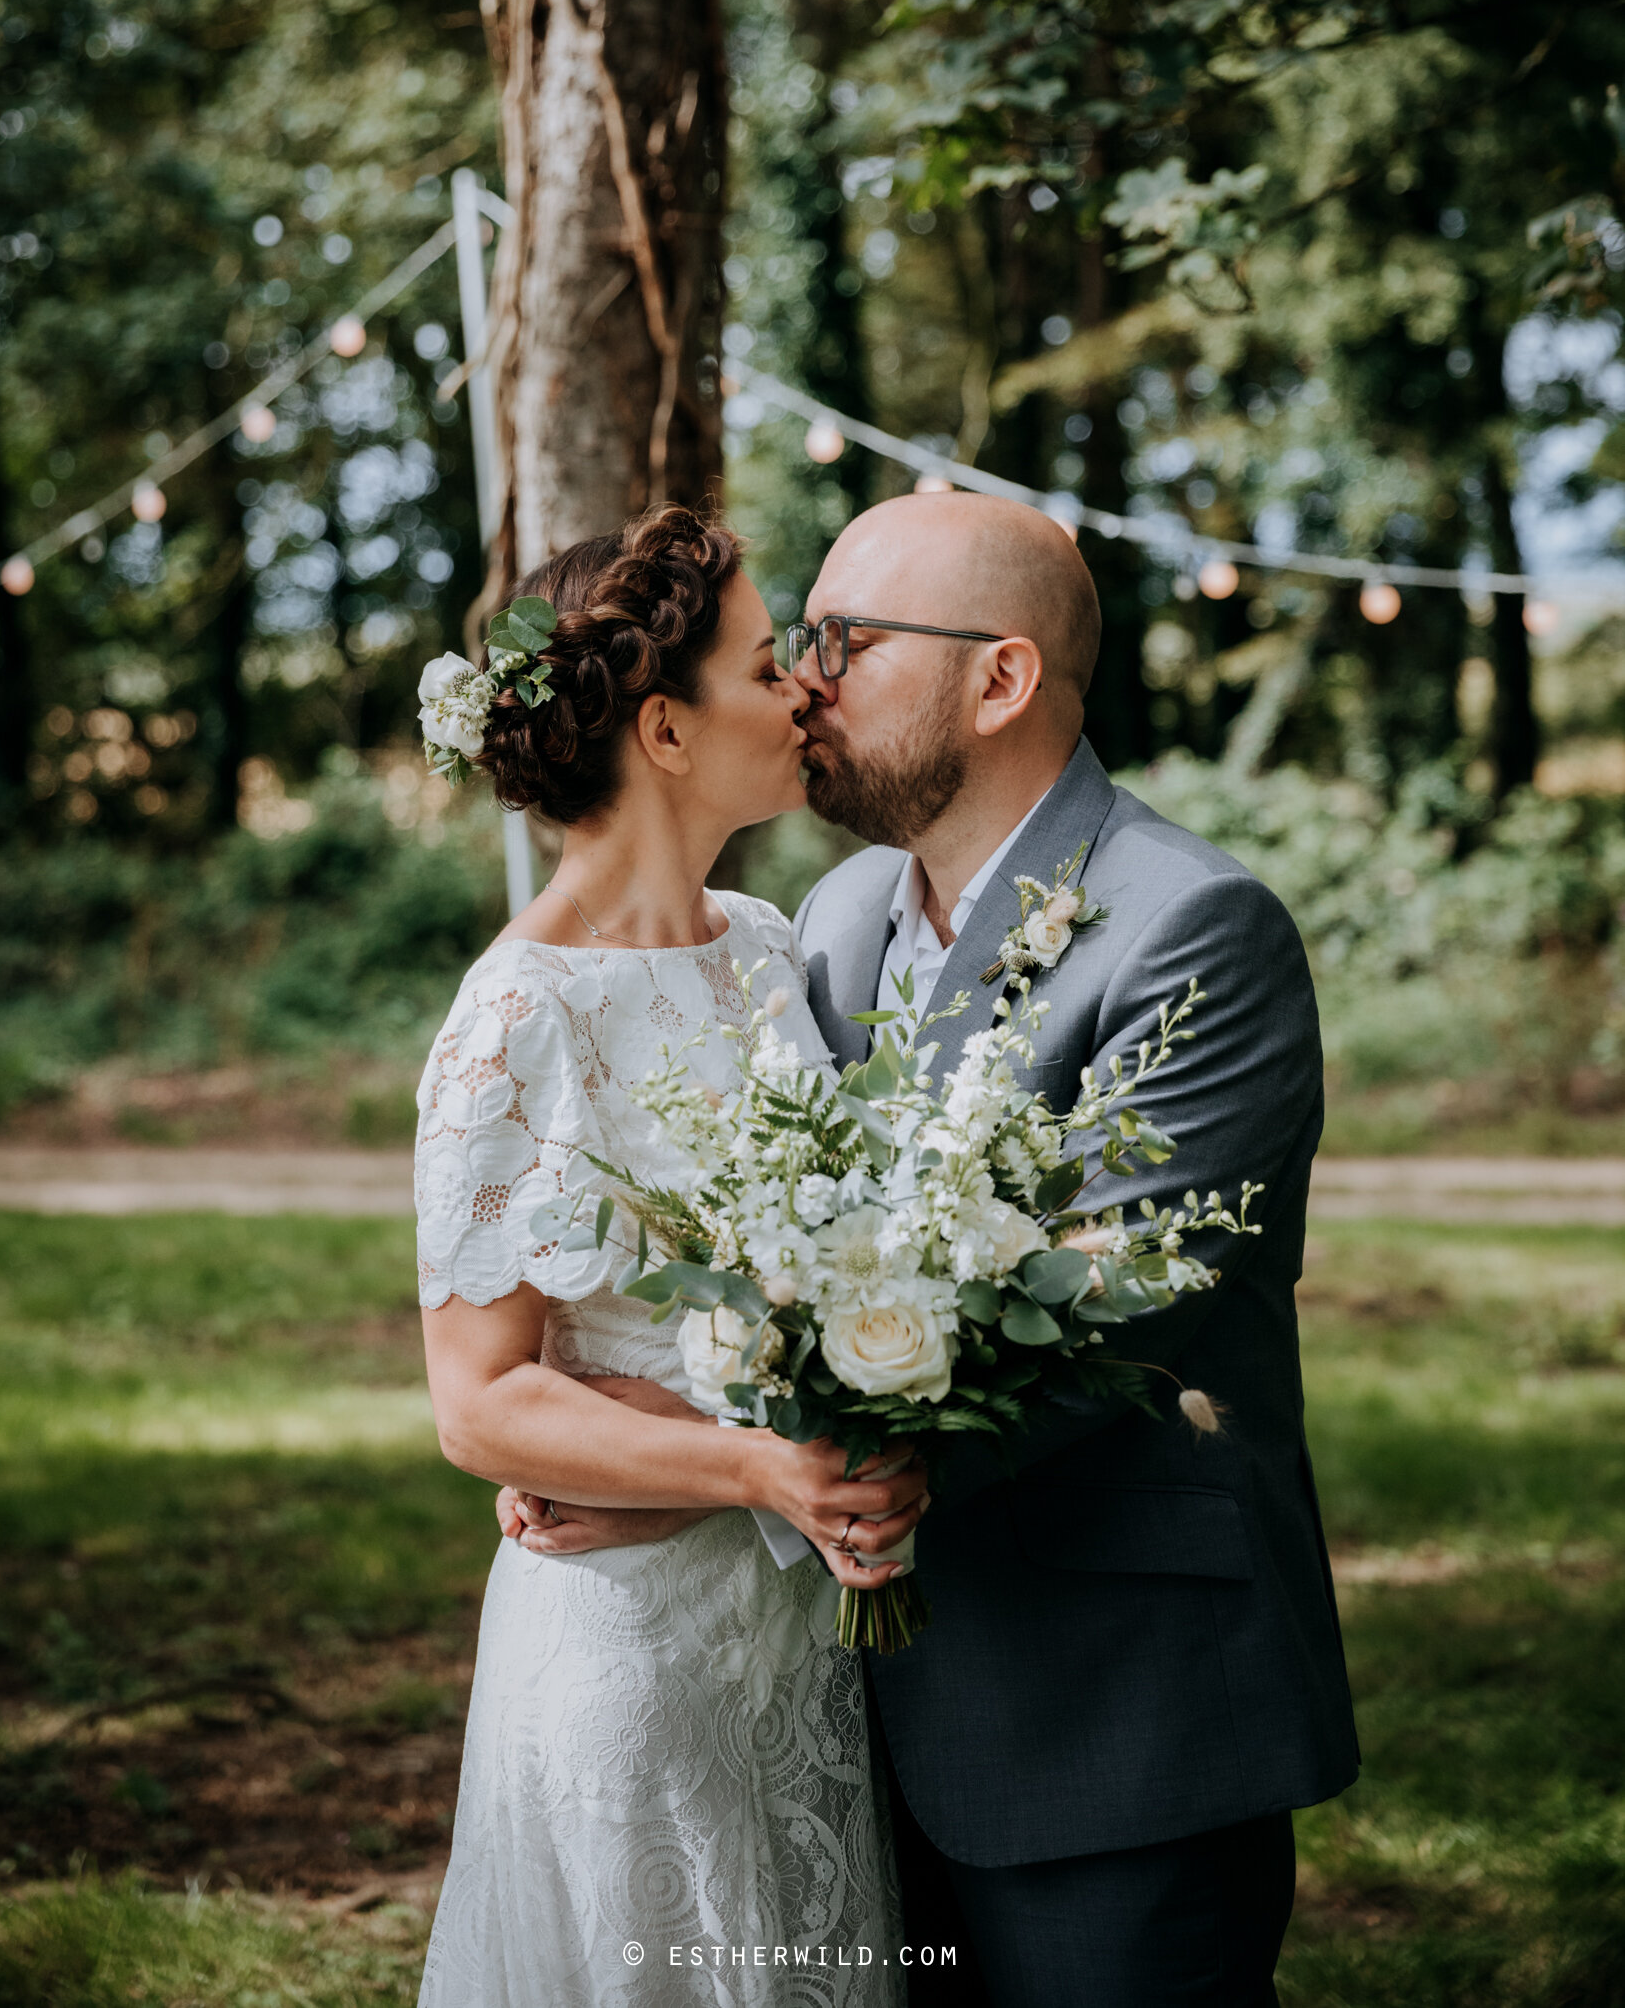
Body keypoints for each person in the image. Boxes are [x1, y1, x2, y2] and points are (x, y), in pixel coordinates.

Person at [509, 489, 1359, 2008]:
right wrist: (649, 1442)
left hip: (1111, 1710)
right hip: (839, 1715)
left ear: (1002, 679)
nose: (805, 679)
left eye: (844, 638)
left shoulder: (1194, 929)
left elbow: (1102, 1325)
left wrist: (726, 1485)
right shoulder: (829, 922)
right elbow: (778, 1249)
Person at [414, 504, 921, 2008]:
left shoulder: (768, 946)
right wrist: (758, 1468)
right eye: (771, 667)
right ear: (667, 730)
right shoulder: (518, 1019)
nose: (807, 692)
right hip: (631, 1655)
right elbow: (479, 1403)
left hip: (795, 1637)